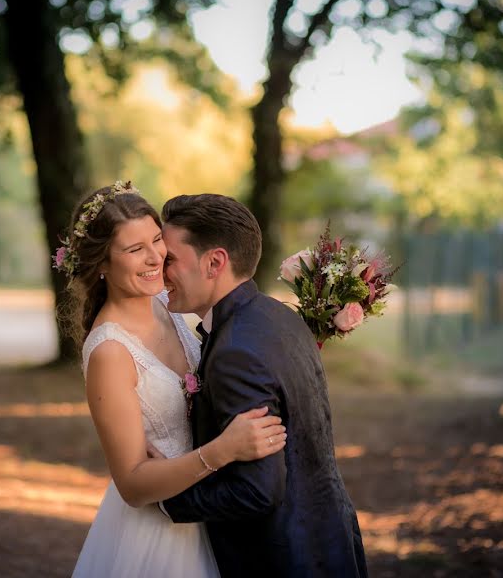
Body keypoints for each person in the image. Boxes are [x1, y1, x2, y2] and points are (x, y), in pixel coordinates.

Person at [57, 182, 287, 578]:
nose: (155, 258)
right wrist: (221, 451)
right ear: (101, 265)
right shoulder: (110, 351)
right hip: (160, 534)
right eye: (134, 250)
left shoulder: (169, 302)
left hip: (215, 511)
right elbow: (131, 485)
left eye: (157, 240)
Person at [158, 194, 368, 577]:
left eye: (170, 258)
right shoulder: (279, 316)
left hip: (283, 561)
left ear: (215, 262)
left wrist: (166, 499)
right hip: (330, 542)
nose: (159, 270)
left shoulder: (236, 350)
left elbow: (257, 491)